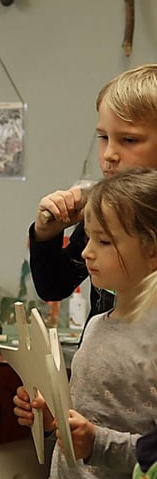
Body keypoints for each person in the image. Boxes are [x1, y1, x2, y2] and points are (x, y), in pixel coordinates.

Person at [15, 169, 157, 479]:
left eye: (104, 242)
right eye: (88, 238)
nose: (86, 252)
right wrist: (53, 422)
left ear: (153, 250)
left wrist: (97, 443)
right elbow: (96, 415)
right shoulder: (96, 325)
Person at [31, 65, 157, 323]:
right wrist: (47, 234)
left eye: (129, 140)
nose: (109, 154)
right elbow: (54, 287)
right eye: (103, 137)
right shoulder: (107, 208)